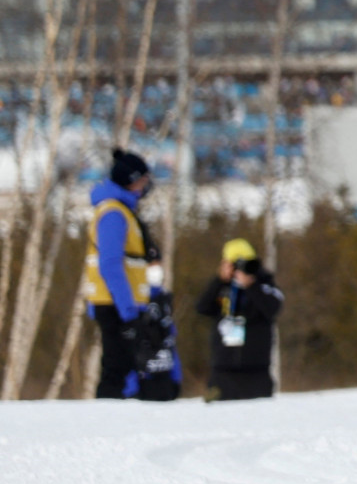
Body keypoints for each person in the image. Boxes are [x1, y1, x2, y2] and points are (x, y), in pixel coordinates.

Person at [85, 149, 181, 400]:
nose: (147, 186)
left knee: (126, 366)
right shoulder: (113, 214)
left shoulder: (123, 211)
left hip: (123, 302)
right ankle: (108, 414)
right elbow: (110, 264)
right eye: (144, 180)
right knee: (117, 368)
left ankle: (118, 412)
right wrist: (128, 312)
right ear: (132, 180)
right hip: (116, 304)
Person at [195, 238, 283, 401]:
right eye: (234, 264)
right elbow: (202, 308)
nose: (239, 269)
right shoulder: (221, 286)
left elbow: (273, 308)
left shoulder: (265, 284)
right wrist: (219, 280)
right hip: (223, 370)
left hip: (256, 371)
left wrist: (251, 285)